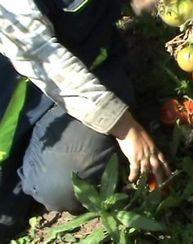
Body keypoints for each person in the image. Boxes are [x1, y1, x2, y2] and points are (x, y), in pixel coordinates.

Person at [0, 0, 168, 240]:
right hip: (19, 86)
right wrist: (126, 128)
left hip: (91, 72)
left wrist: (122, 125)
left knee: (61, 183)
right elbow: (40, 56)